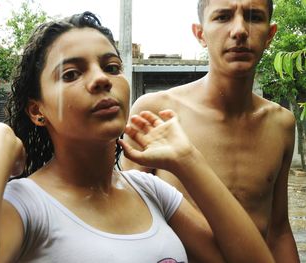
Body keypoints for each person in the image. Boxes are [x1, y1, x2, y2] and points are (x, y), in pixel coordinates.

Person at [0, 11, 274, 263]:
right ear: (38, 111)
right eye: (71, 74)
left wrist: (188, 159)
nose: (100, 80)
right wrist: (0, 142)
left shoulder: (151, 192)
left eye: (111, 67)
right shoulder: (27, 205)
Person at [121, 0, 300, 261]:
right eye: (223, 17)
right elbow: (128, 221)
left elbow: (279, 230)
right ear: (200, 34)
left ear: (270, 35)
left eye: (254, 17)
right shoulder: (156, 111)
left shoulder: (281, 123)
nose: (239, 30)